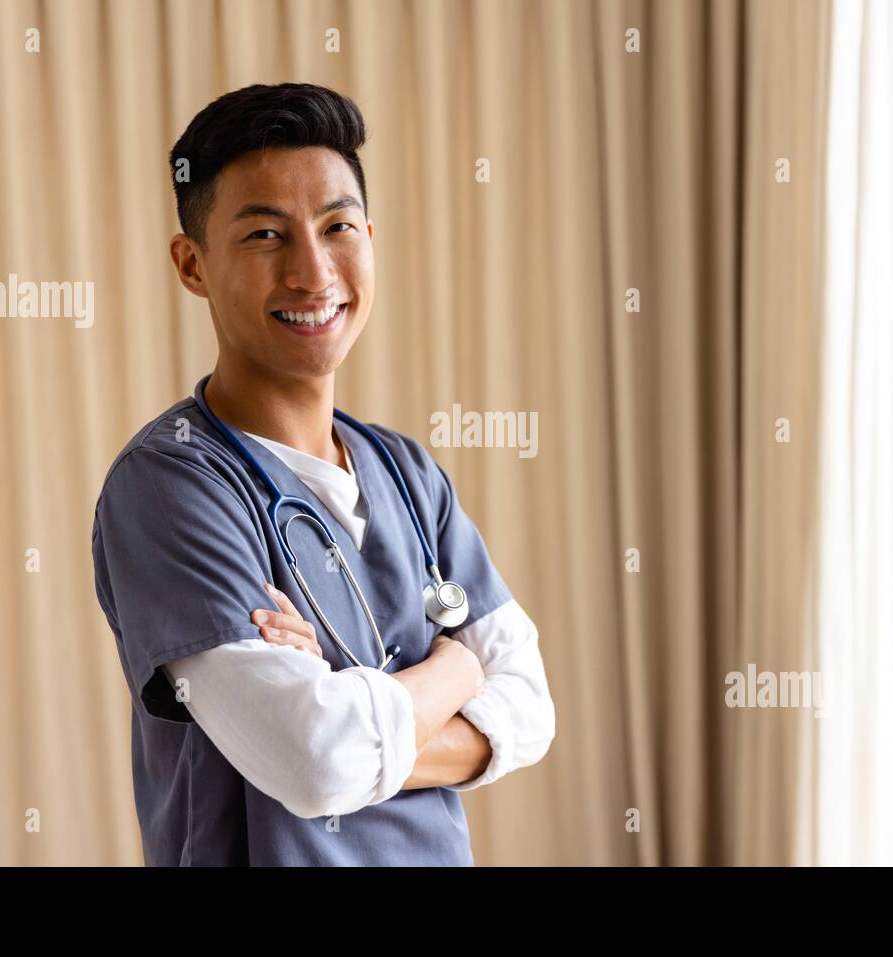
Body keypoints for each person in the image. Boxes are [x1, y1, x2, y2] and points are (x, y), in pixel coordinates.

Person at [90, 83, 555, 866]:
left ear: (370, 237)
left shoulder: (407, 475)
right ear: (192, 264)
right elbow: (313, 760)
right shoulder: (169, 485)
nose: (313, 271)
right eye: (266, 234)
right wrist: (458, 665)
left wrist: (355, 709)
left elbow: (532, 707)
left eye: (338, 226)